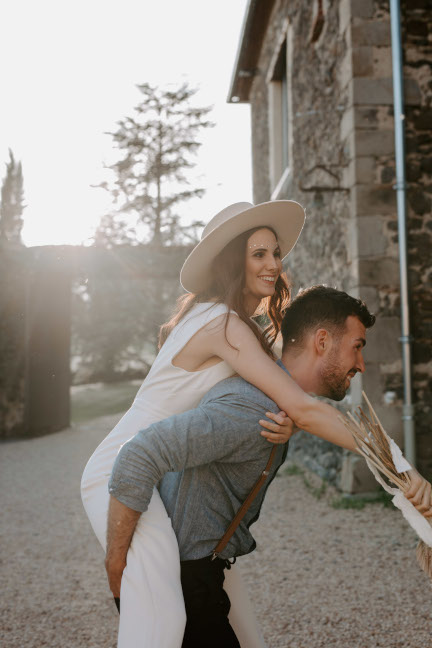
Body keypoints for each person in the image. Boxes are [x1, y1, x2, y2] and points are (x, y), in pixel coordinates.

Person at [105, 285, 432, 647]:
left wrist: (403, 476)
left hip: (202, 576)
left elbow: (322, 420)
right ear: (321, 341)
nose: (361, 365)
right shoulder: (251, 411)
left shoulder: (274, 404)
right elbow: (138, 455)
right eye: (357, 347)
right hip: (183, 585)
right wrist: (116, 566)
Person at [81, 200, 305, 648]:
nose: (273, 264)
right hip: (124, 466)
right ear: (232, 261)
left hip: (156, 468)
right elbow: (290, 395)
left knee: (228, 610)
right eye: (258, 253)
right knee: (162, 616)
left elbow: (272, 394)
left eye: (275, 253)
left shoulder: (230, 323)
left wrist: (290, 422)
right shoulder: (220, 323)